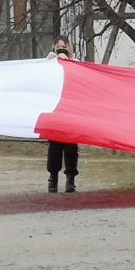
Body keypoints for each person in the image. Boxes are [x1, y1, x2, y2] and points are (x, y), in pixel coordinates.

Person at [45, 36, 80, 193]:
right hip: (55, 110)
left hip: (71, 110)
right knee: (55, 147)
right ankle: (53, 178)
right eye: (58, 46)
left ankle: (70, 179)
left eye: (63, 46)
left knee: (71, 146)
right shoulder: (50, 63)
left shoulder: (77, 62)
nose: (60, 49)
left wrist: (68, 62)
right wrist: (48, 62)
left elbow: (80, 80)